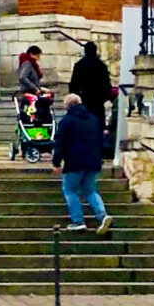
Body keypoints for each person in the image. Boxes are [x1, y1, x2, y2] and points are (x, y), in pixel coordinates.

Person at [51, 91, 110, 233]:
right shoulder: (93, 119)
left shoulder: (67, 121)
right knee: (90, 190)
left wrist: (56, 162)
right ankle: (102, 216)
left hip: (74, 162)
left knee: (70, 190)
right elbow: (101, 141)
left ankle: (78, 221)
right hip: (93, 161)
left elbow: (60, 143)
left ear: (67, 107)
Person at [69, 40, 116, 136]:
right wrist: (104, 97)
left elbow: (74, 83)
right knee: (98, 125)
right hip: (98, 99)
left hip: (83, 98)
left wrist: (75, 96)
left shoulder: (79, 65)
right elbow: (107, 84)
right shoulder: (101, 66)